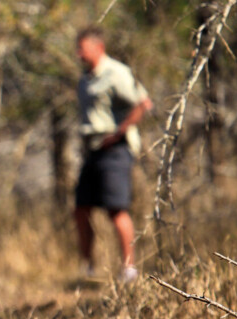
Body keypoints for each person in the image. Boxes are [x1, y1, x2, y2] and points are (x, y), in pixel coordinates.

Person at [73, 27, 152, 282]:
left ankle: (128, 269)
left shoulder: (116, 73)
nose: (78, 55)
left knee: (116, 209)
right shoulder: (86, 78)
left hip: (115, 150)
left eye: (82, 49)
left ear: (98, 48)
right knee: (81, 207)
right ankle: (88, 267)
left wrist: (119, 133)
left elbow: (143, 103)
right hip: (93, 149)